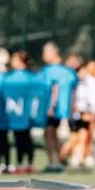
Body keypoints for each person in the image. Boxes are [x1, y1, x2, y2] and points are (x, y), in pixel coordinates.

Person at [40, 42, 76, 173]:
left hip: (52, 108)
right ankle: (59, 159)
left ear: (54, 52)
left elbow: (54, 89)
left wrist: (52, 106)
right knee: (53, 133)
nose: (43, 56)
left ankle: (53, 162)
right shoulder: (67, 71)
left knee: (49, 133)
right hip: (61, 109)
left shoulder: (52, 71)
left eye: (45, 52)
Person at [66, 56, 95, 169]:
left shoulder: (94, 81)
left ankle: (82, 157)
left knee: (85, 136)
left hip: (87, 112)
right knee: (76, 137)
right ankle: (66, 156)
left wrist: (92, 112)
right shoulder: (76, 81)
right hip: (77, 113)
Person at [5, 50, 37, 173]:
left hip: (25, 112)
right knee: (19, 137)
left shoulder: (29, 77)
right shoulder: (11, 76)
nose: (12, 62)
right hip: (16, 111)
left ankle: (28, 163)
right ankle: (21, 163)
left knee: (25, 137)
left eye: (15, 59)